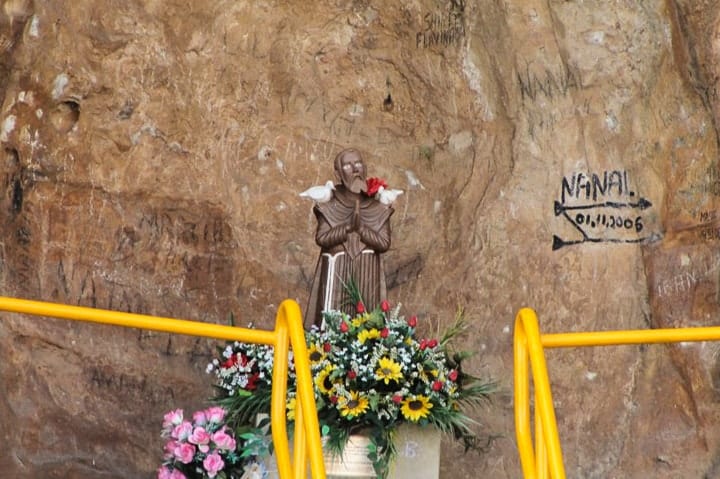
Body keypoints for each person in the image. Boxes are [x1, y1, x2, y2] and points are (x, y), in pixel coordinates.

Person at [305, 148, 393, 329]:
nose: (355, 169)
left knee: (367, 328)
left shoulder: (378, 205)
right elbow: (322, 238)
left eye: (358, 163)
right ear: (338, 173)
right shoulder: (329, 203)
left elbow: (384, 243)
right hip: (336, 272)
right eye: (347, 165)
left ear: (365, 168)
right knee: (330, 327)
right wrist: (346, 227)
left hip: (367, 274)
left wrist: (361, 229)